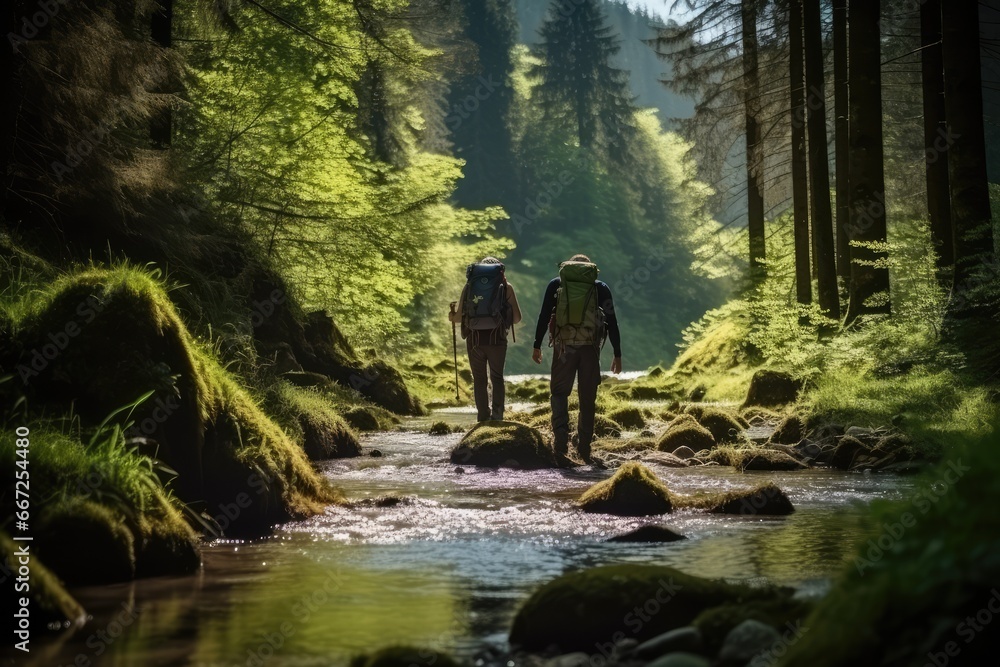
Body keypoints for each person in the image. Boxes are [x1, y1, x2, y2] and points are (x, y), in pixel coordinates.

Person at [532, 254, 622, 465]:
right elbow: (612, 321)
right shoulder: (600, 287)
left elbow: (544, 316)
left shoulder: (556, 285)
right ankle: (584, 449)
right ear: (590, 270)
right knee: (587, 398)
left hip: (564, 349)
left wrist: (537, 345)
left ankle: (561, 443)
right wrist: (617, 354)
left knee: (559, 393)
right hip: (589, 349)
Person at [449, 257, 522, 422]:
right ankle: (497, 416)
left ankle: (483, 416)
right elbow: (517, 319)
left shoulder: (469, 286)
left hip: (475, 341)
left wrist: (452, 316)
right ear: (499, 272)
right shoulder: (507, 287)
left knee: (479, 379)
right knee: (497, 377)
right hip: (497, 340)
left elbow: (459, 318)